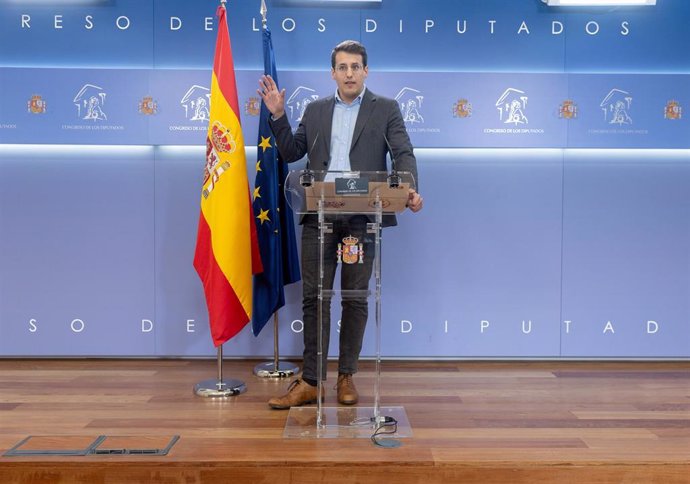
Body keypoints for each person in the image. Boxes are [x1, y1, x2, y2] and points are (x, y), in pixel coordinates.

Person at [257, 40, 423, 409]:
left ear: (366, 71)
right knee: (315, 298)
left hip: (362, 218)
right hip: (319, 216)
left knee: (354, 298)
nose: (349, 73)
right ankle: (312, 380)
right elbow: (291, 152)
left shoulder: (386, 109)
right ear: (332, 73)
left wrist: (408, 188)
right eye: (342, 67)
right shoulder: (315, 111)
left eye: (356, 67)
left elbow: (403, 153)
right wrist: (279, 115)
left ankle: (346, 376)